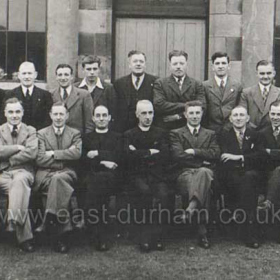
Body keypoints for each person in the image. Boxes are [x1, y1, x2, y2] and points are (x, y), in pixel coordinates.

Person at [169, 100, 220, 249]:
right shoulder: (176, 133)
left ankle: (191, 212)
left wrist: (194, 151)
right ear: (185, 114)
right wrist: (202, 160)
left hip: (205, 173)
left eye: (198, 112)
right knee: (204, 178)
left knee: (204, 175)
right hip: (185, 174)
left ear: (202, 114)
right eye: (191, 113)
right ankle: (202, 230)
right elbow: (177, 155)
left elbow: (216, 153)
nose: (195, 116)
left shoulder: (210, 134)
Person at [34, 102, 82, 253]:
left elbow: (77, 154)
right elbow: (40, 159)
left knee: (58, 180)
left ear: (67, 115)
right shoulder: (41, 133)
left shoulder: (75, 133)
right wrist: (65, 154)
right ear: (50, 115)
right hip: (46, 174)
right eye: (55, 114)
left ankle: (49, 219)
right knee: (58, 184)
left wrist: (54, 153)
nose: (58, 117)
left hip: (67, 173)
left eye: (62, 114)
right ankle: (60, 236)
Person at [124, 100, 170, 252]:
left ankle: (157, 236)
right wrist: (150, 152)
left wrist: (138, 152)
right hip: (137, 175)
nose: (147, 116)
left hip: (157, 175)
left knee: (163, 195)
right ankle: (143, 236)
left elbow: (165, 155)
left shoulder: (161, 133)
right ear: (137, 114)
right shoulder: (129, 134)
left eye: (150, 113)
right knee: (144, 194)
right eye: (143, 113)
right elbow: (128, 157)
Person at [219, 106, 262, 248]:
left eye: (241, 115)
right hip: (231, 176)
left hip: (251, 174)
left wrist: (239, 157)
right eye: (235, 115)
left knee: (249, 179)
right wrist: (242, 160)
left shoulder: (255, 134)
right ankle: (249, 230)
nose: (238, 118)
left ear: (247, 118)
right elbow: (224, 157)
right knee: (245, 183)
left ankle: (245, 228)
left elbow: (260, 156)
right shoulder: (224, 135)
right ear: (230, 119)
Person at [0, 98, 38, 252]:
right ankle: (24, 238)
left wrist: (8, 158)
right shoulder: (0, 129)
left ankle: (12, 222)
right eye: (10, 112)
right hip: (3, 175)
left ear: (23, 113)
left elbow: (32, 152)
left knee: (20, 182)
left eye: (17, 111)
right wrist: (17, 146)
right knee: (19, 191)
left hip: (24, 172)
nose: (14, 115)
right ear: (5, 113)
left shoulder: (31, 130)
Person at [82, 105, 122, 251]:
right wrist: (105, 160)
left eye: (104, 115)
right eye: (98, 116)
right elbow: (84, 159)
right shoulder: (86, 138)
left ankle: (94, 229)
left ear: (110, 118)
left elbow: (119, 156)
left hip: (114, 179)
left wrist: (97, 154)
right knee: (97, 181)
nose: (101, 119)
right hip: (92, 177)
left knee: (100, 182)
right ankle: (101, 234)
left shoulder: (118, 137)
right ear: (93, 118)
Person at [153, 50, 206, 130]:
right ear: (170, 66)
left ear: (186, 65)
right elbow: (159, 105)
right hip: (167, 128)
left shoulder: (196, 84)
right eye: (175, 64)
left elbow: (202, 106)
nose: (178, 66)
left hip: (189, 129)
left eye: (181, 63)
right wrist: (186, 105)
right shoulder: (160, 83)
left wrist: (179, 116)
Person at [113, 50, 158, 132]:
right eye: (135, 61)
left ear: (145, 64)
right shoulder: (119, 83)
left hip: (148, 130)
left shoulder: (155, 82)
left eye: (141, 61)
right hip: (125, 129)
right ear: (129, 65)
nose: (138, 64)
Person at [0, 61, 53, 130]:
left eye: (30, 73)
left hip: (39, 136)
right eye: (24, 73)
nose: (27, 76)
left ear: (35, 75)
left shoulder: (45, 95)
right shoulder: (10, 94)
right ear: (19, 75)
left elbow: (48, 120)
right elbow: (4, 118)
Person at [203, 52, 242, 134]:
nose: (220, 66)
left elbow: (239, 107)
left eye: (223, 63)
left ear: (229, 66)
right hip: (210, 130)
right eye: (217, 63)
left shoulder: (237, 86)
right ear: (213, 67)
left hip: (231, 130)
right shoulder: (205, 86)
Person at [51, 64, 94, 135]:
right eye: (60, 75)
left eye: (66, 74)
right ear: (56, 77)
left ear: (71, 77)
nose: (63, 78)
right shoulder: (50, 94)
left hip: (77, 139)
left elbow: (89, 123)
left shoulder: (84, 95)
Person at [239, 60, 280, 130]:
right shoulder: (247, 93)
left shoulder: (279, 92)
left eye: (269, 73)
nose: (265, 76)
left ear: (274, 73)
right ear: (256, 74)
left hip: (272, 134)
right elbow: (242, 115)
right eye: (262, 73)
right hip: (253, 133)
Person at [74, 55, 116, 123]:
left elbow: (113, 112)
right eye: (88, 69)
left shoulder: (108, 88)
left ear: (99, 70)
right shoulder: (75, 88)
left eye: (95, 69)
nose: (92, 72)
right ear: (83, 70)